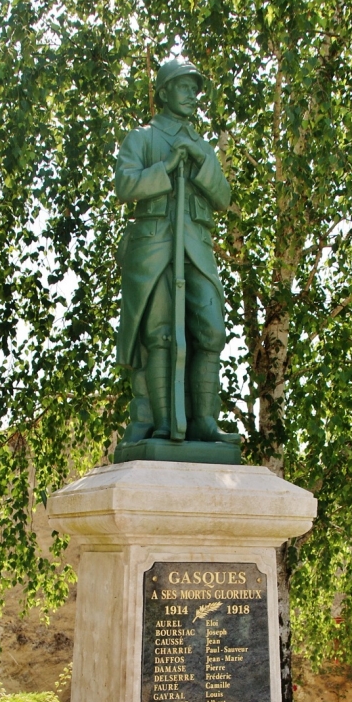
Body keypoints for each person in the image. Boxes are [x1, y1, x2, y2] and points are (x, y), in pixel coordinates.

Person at [115, 57, 236, 445]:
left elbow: (223, 196)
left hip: (196, 249)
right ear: (164, 92)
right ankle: (164, 422)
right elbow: (125, 185)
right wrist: (167, 167)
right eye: (183, 87)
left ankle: (203, 420)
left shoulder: (200, 145)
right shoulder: (143, 138)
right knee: (160, 335)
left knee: (211, 330)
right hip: (154, 248)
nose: (191, 95)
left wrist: (201, 160)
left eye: (194, 89)